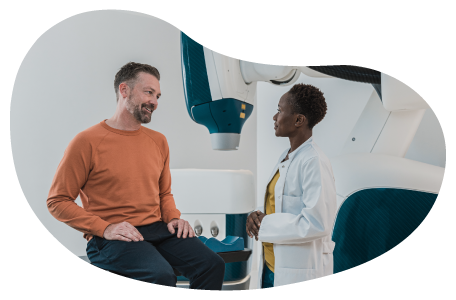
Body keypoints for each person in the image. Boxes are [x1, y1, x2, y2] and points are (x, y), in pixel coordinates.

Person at [47, 62, 225, 291]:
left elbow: (164, 192)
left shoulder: (158, 141)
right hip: (111, 238)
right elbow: (57, 201)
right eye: (149, 92)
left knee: (212, 265)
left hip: (157, 229)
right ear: (124, 90)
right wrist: (104, 228)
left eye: (158, 95)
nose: (155, 102)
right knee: (161, 276)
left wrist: (172, 218)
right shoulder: (86, 141)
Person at [246, 83, 337, 291]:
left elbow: (317, 222)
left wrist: (265, 224)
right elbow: (279, 206)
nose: (274, 117)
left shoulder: (313, 161)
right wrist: (257, 216)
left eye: (279, 110)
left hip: (297, 274)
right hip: (272, 266)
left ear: (299, 120)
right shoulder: (287, 157)